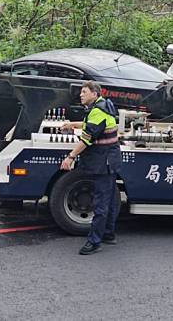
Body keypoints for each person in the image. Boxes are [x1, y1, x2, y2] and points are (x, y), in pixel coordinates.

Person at [60, 81, 121, 255]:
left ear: (94, 94)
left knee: (100, 203)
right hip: (110, 160)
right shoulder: (103, 105)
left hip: (103, 162)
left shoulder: (97, 111)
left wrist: (70, 157)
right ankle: (108, 234)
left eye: (84, 92)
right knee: (108, 199)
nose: (81, 95)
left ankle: (94, 242)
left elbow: (87, 138)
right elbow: (92, 125)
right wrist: (73, 124)